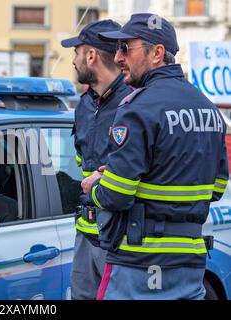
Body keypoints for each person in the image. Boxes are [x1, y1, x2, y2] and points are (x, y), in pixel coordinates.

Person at [81, 13, 229, 300]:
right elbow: (217, 188)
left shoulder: (137, 108)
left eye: (126, 48)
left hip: (138, 263)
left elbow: (116, 195)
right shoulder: (209, 109)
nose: (119, 57)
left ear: (157, 53)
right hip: (190, 261)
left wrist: (95, 186)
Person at [60, 20, 131, 300]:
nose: (74, 61)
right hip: (85, 234)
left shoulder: (135, 103)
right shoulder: (85, 104)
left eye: (76, 53)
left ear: (90, 56)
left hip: (120, 238)